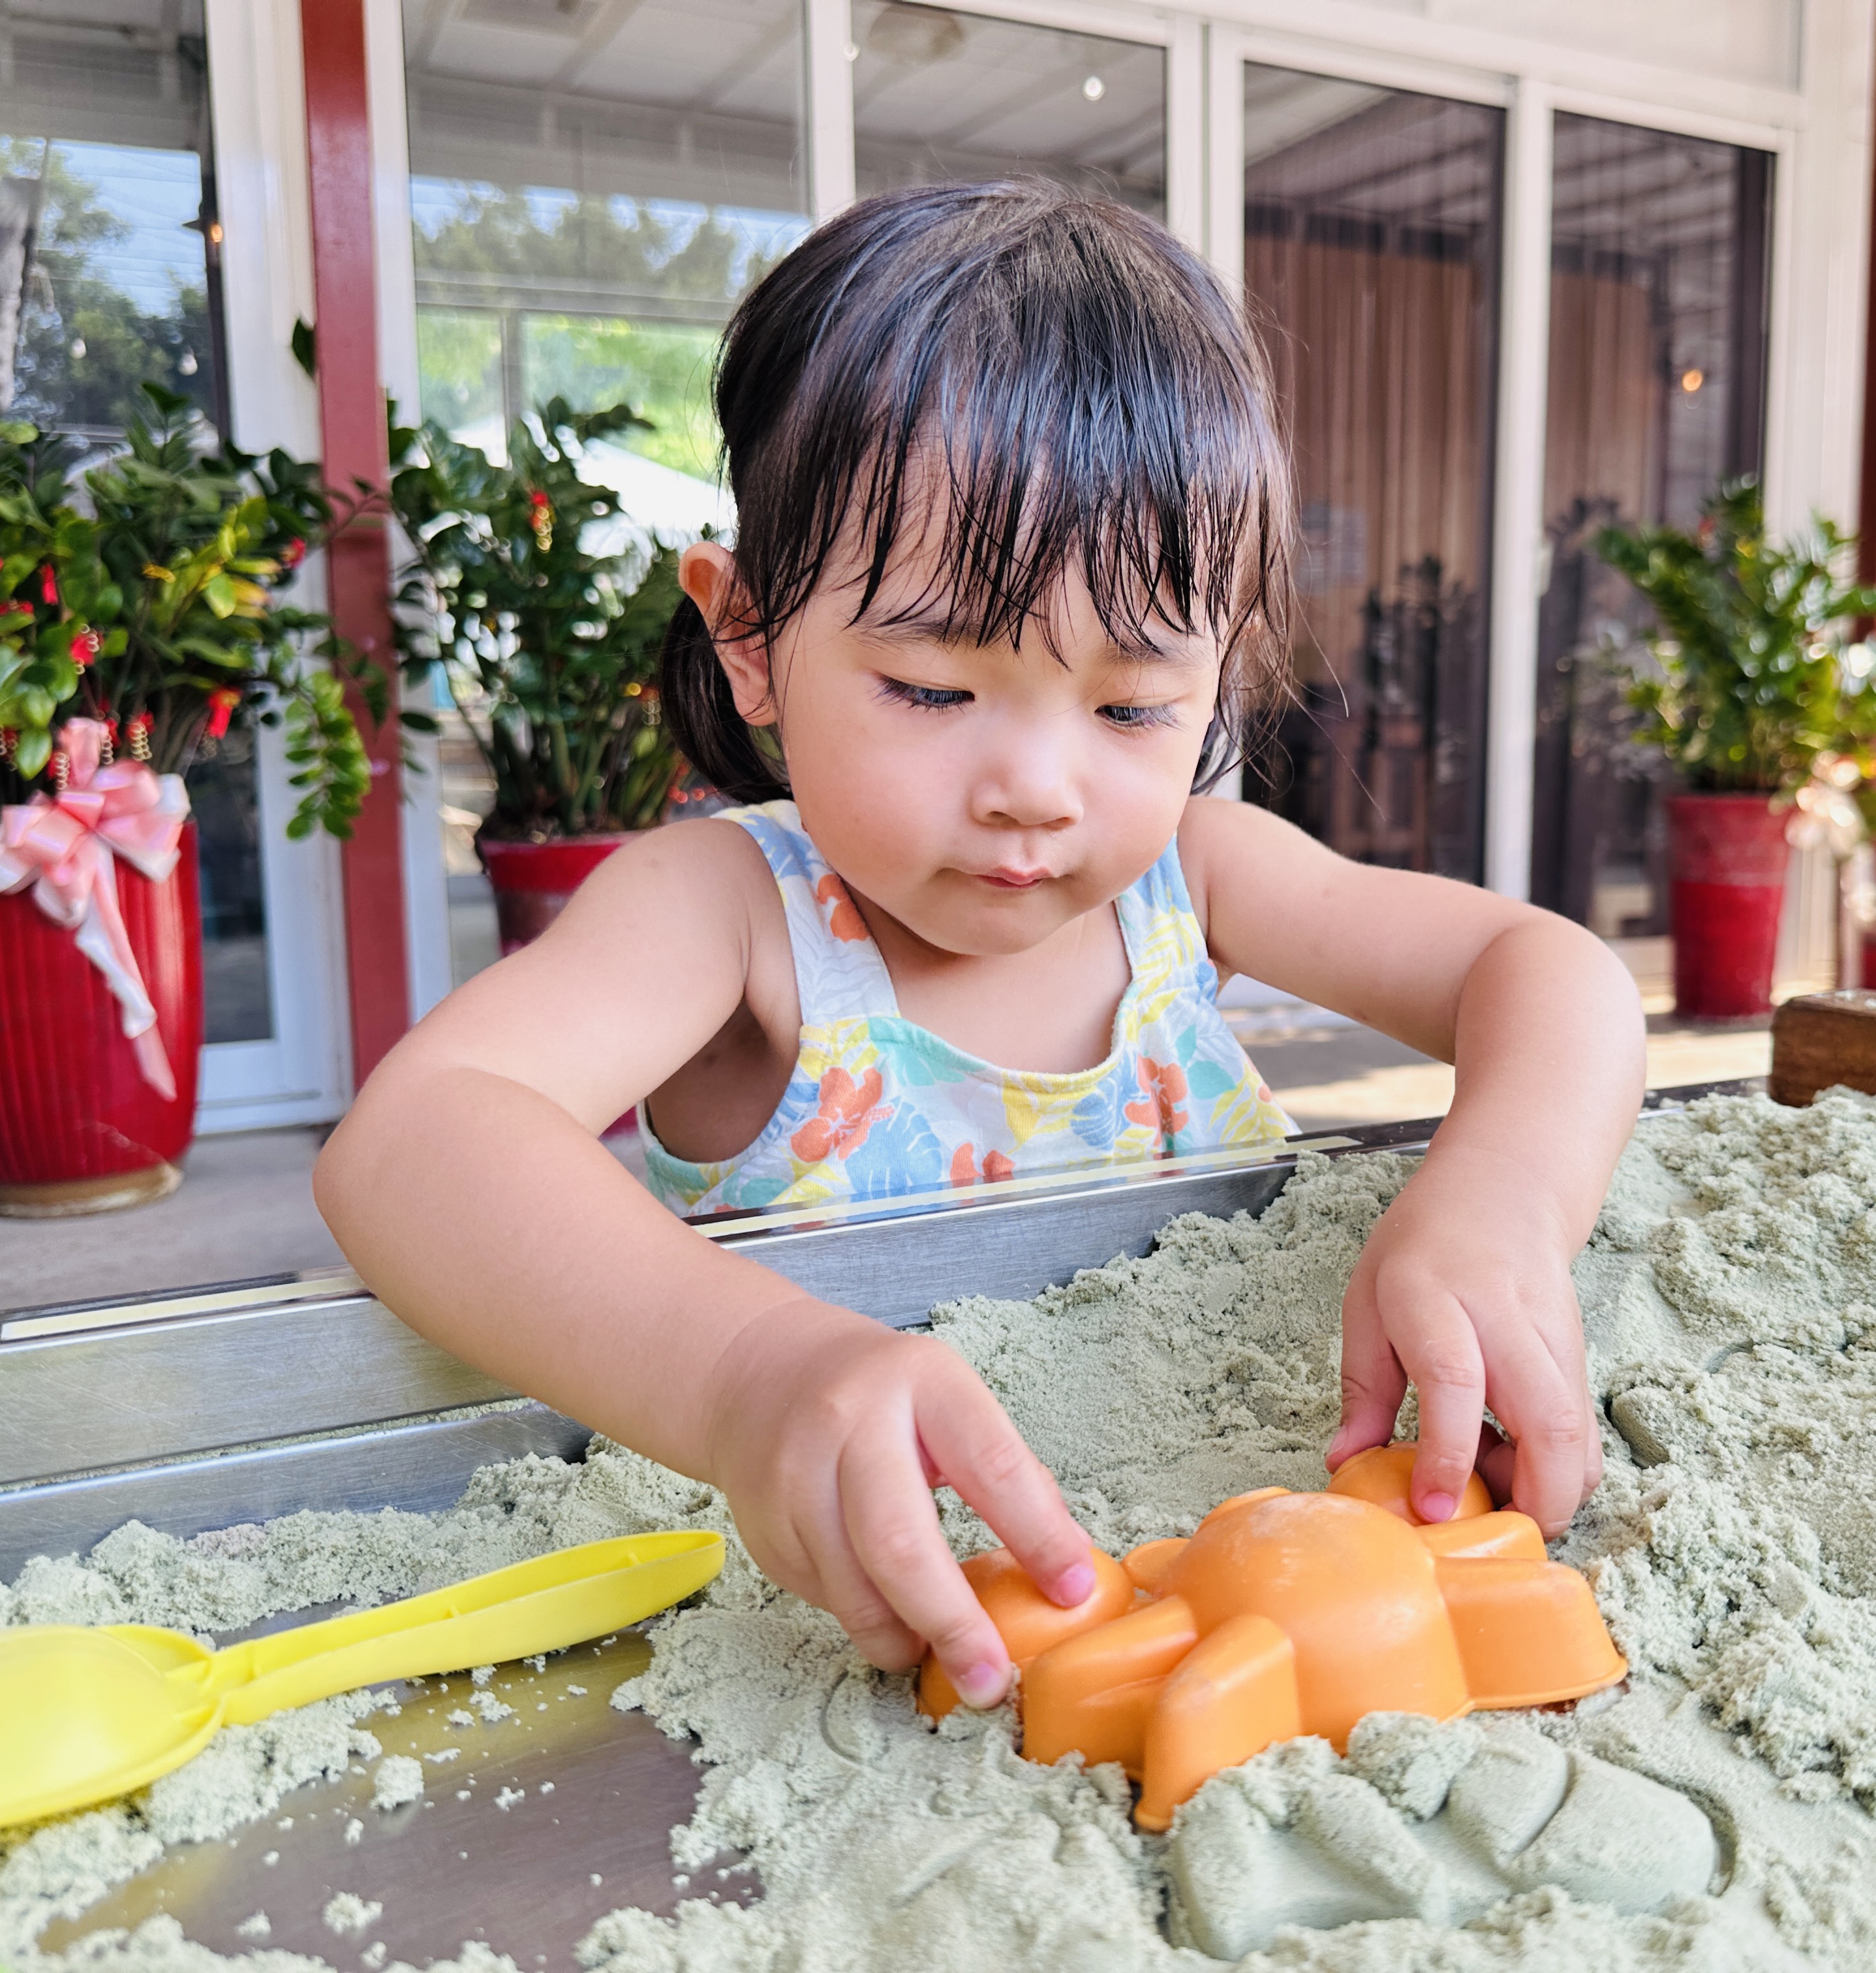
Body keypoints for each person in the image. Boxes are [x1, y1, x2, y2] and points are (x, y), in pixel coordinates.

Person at [315, 182, 1646, 1717]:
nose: (1038, 786)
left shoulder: (1193, 883)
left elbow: (1553, 975)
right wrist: (746, 1380)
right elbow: (410, 1143)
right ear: (750, 638)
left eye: (1136, 706)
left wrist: (1497, 1205)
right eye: (935, 691)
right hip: (862, 1650)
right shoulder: (733, 915)